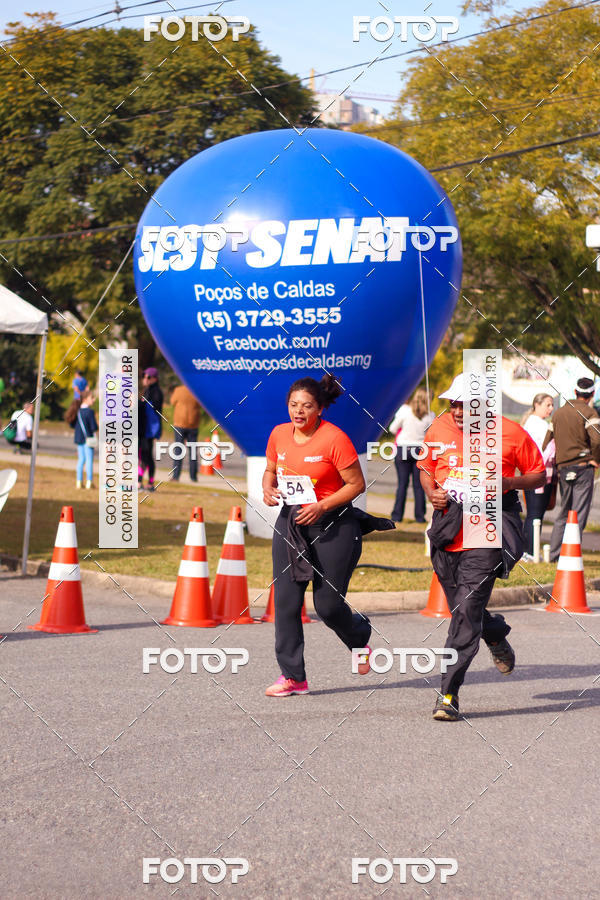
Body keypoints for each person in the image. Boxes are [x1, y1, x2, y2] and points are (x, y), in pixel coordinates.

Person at [419, 373, 545, 721]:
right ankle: (493, 631)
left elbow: (538, 475)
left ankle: (448, 693)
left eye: (466, 404)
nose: (458, 411)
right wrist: (432, 491)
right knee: (462, 607)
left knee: (464, 612)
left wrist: (507, 481)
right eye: (454, 403)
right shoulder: (439, 429)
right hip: (448, 528)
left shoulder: (511, 433)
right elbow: (426, 468)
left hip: (489, 525)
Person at [262, 374, 372, 697]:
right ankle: (293, 676)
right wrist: (267, 487)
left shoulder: (334, 439)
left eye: (307, 406)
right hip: (291, 523)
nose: (299, 411)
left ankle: (359, 637)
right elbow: (270, 470)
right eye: (294, 405)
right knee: (285, 601)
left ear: (320, 408)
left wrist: (322, 506)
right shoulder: (279, 434)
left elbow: (356, 485)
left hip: (333, 525)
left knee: (327, 606)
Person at [549, 377, 600, 561]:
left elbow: (548, 441)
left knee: (563, 514)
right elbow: (596, 440)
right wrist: (595, 459)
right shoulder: (589, 412)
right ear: (592, 394)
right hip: (582, 468)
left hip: (563, 468)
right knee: (578, 515)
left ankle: (554, 556)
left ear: (575, 392)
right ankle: (570, 558)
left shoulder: (558, 413)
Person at [388, 388, 434, 523]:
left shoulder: (405, 411)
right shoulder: (430, 414)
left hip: (403, 449)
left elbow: (392, 428)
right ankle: (419, 517)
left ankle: (397, 516)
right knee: (419, 485)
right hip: (421, 450)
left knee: (402, 484)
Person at [521, 393, 556, 559]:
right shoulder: (537, 424)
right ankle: (528, 551)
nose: (551, 408)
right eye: (547, 405)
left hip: (536, 473)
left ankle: (531, 549)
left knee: (536, 513)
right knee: (535, 513)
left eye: (552, 405)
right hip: (537, 473)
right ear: (537, 404)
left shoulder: (533, 423)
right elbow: (545, 450)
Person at [65, 389, 97, 489]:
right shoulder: (90, 412)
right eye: (92, 398)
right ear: (86, 399)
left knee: (81, 460)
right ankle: (89, 482)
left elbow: (72, 424)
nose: (94, 400)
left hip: (79, 439)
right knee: (89, 460)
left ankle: (79, 482)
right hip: (88, 439)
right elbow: (94, 427)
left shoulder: (77, 411)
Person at [138, 367, 163, 492]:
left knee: (147, 455)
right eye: (144, 376)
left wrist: (138, 403)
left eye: (148, 377)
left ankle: (150, 482)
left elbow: (153, 407)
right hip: (142, 428)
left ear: (154, 379)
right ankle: (139, 481)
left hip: (149, 429)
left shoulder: (156, 392)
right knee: (141, 455)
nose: (145, 379)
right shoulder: (146, 391)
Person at [170, 383, 202, 482]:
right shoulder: (196, 390)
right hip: (193, 424)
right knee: (192, 452)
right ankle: (193, 477)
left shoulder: (178, 390)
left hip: (179, 424)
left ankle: (176, 476)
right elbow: (201, 404)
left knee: (178, 451)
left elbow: (172, 402)